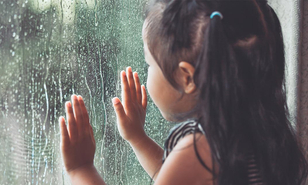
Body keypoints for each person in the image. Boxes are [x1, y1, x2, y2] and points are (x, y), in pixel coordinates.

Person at [58, 0, 308, 184]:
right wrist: (137, 138)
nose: (147, 72)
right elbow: (179, 177)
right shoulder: (252, 134)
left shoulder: (203, 148)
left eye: (149, 63)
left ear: (187, 77)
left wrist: (81, 169)